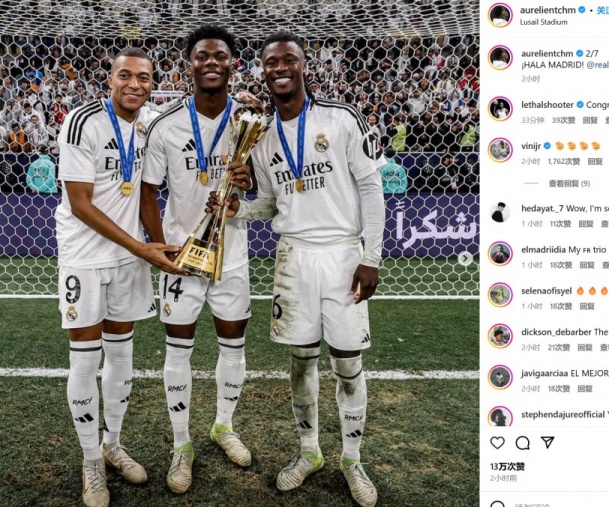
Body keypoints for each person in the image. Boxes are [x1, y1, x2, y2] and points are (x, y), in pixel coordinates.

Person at [209, 30, 385, 507]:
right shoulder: (262, 137)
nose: (280, 68)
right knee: (301, 360)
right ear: (263, 71)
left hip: (343, 255)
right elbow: (268, 203)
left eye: (289, 60)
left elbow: (371, 188)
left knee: (347, 364)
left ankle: (352, 459)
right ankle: (310, 452)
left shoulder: (341, 118)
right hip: (294, 256)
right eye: (271, 63)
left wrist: (370, 257)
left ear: (304, 65)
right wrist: (237, 210)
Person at [55, 47, 185, 507]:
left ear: (153, 83)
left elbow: (191, 118)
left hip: (129, 260)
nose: (134, 84)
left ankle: (111, 444)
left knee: (121, 355)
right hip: (85, 258)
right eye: (125, 75)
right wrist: (142, 246)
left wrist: (242, 102)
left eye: (143, 78)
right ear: (110, 79)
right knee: (84, 361)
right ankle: (91, 460)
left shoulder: (151, 123)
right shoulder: (82, 121)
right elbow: (80, 204)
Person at [140, 24, 257, 495]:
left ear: (232, 64)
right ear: (188, 64)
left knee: (234, 346)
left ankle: (223, 426)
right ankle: (181, 444)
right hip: (181, 258)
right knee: (178, 350)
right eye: (202, 56)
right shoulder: (165, 124)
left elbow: (262, 189)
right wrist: (158, 248)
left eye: (220, 56)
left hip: (232, 256)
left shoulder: (250, 121)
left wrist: (243, 193)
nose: (211, 62)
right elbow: (148, 192)